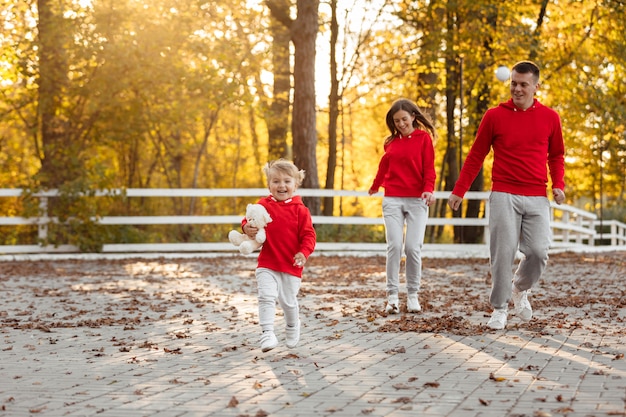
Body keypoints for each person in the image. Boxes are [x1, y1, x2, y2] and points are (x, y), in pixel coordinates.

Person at [447, 60, 566, 330]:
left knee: (538, 251)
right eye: (513, 83)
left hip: (537, 195)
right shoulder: (494, 116)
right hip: (503, 193)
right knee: (502, 253)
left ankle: (519, 289)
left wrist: (558, 183)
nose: (517, 88)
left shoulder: (550, 118)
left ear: (536, 86)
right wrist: (459, 189)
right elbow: (477, 154)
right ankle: (499, 308)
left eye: (523, 84)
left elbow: (557, 155)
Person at [368, 98, 436, 314]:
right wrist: (375, 185)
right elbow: (383, 166)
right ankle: (392, 296)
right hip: (393, 199)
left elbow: (429, 168)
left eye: (404, 119)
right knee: (395, 246)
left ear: (413, 117)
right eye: (396, 121)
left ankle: (413, 295)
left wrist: (429, 189)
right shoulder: (390, 142)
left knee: (413, 248)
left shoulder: (424, 139)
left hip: (417, 199)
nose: (401, 124)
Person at [241, 159, 316, 351]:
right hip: (267, 262)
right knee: (266, 296)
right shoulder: (263, 204)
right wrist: (246, 227)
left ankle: (292, 325)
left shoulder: (301, 210)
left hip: (291, 265)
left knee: (288, 302)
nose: (281, 185)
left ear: (295, 184)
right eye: (275, 181)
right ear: (269, 184)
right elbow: (249, 217)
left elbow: (309, 235)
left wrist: (303, 252)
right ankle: (267, 333)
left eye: (286, 181)